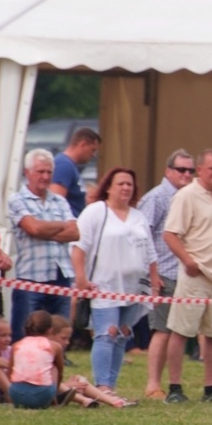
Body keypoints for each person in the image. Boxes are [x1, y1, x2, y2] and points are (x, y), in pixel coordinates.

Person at [72, 166, 159, 395]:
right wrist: (81, 279)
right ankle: (102, 386)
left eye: (129, 184)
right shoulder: (95, 212)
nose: (126, 188)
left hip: (134, 288)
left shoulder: (138, 216)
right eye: (121, 183)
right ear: (108, 187)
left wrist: (154, 282)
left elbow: (150, 253)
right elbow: (79, 247)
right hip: (105, 285)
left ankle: (111, 384)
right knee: (106, 333)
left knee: (122, 334)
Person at [162, 149, 212, 403]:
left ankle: (211, 388)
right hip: (195, 274)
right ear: (200, 170)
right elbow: (170, 234)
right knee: (181, 330)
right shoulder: (186, 196)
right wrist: (188, 260)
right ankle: (174, 388)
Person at [136, 150, 196, 400]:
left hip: (184, 274)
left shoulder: (188, 196)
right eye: (181, 170)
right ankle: (152, 385)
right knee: (162, 330)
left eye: (190, 171)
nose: (186, 175)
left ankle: (171, 384)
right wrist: (153, 274)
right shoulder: (158, 197)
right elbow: (143, 234)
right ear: (167, 171)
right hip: (164, 273)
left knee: (177, 332)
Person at [8, 148, 78, 341]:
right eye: (40, 171)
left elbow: (75, 232)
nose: (45, 176)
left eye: (49, 172)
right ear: (27, 172)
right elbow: (33, 228)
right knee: (25, 333)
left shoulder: (60, 201)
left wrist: (43, 229)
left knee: (59, 333)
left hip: (60, 274)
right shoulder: (17, 200)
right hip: (31, 276)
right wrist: (60, 226)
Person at [50, 126, 101, 218]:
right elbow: (56, 203)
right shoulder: (64, 165)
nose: (93, 155)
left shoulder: (70, 165)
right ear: (83, 145)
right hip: (68, 227)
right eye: (92, 150)